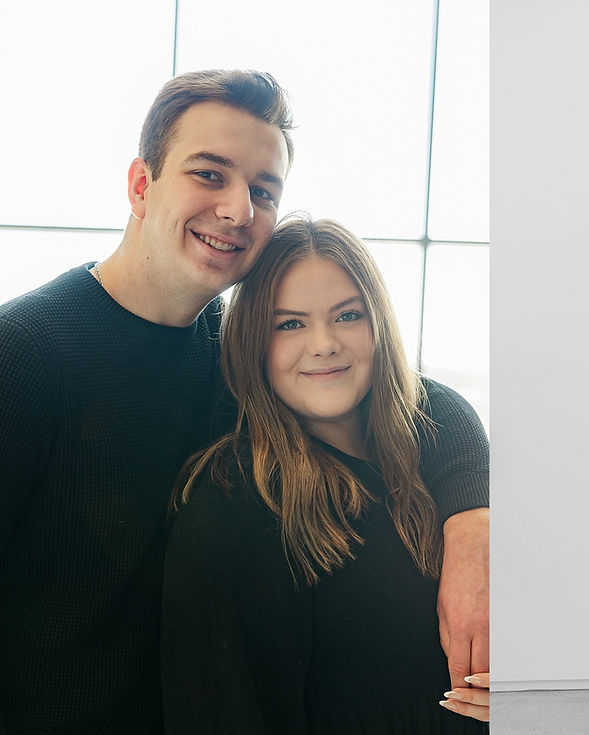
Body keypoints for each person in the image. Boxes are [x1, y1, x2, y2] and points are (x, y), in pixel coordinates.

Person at [0, 70, 488, 734]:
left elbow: (410, 399)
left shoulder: (233, 352)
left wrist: (473, 521)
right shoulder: (25, 353)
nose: (237, 210)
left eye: (263, 190)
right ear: (141, 185)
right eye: (209, 174)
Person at [161, 216, 489, 732]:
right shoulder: (233, 500)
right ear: (253, 341)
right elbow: (217, 711)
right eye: (290, 324)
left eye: (348, 316)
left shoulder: (435, 451)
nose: (324, 344)